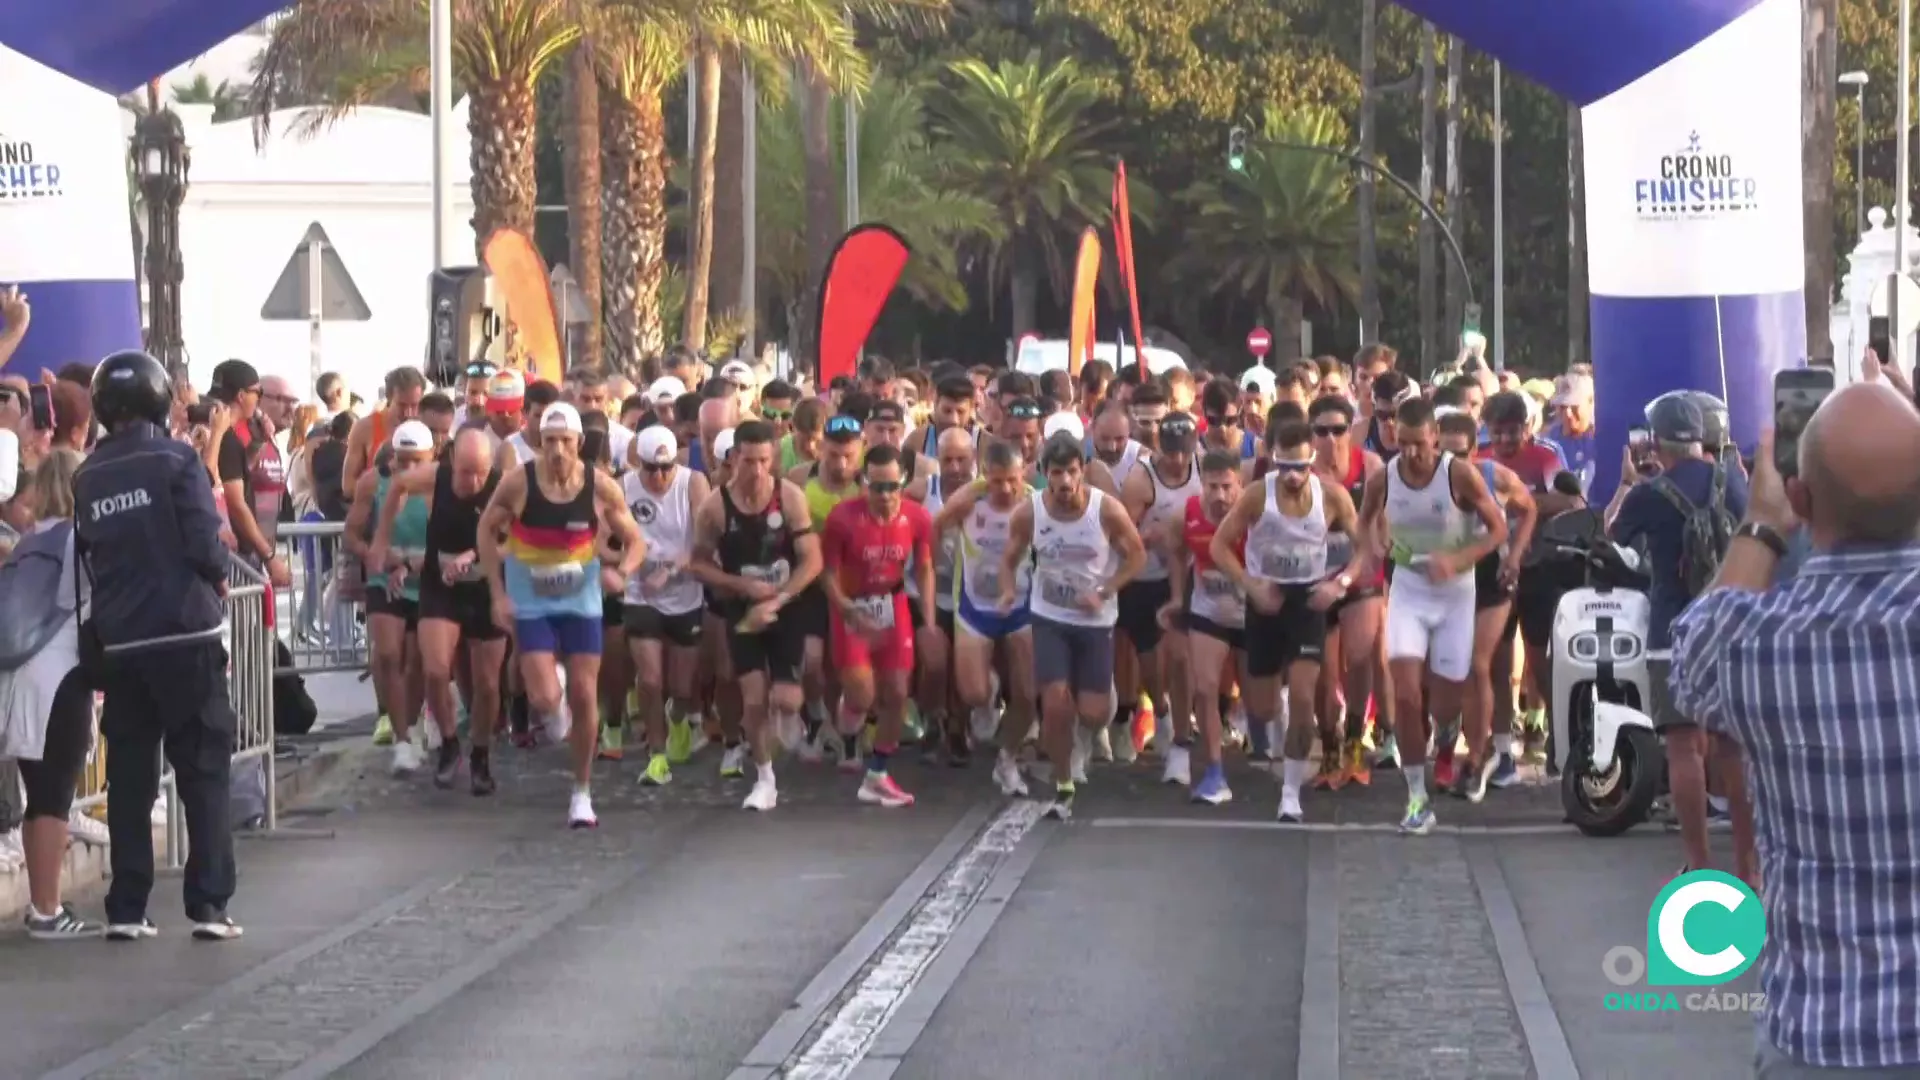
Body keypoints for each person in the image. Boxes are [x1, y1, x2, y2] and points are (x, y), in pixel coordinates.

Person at [1668, 382, 1920, 1076]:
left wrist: (1762, 524)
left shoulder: (1760, 644)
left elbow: (1692, 665)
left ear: (1803, 500)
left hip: (1821, 1034)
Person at [73, 350, 241, 941]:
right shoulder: (177, 460)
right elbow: (203, 539)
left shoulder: (87, 475)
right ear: (158, 397)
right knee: (202, 768)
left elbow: (90, 557)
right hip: (186, 635)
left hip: (122, 644)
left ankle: (126, 906)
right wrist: (221, 572)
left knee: (130, 778)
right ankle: (209, 905)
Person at [477, 403, 646, 828]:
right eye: (549, 441)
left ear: (579, 444)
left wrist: (622, 572)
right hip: (530, 600)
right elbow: (486, 528)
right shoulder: (519, 483)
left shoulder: (599, 486)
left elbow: (635, 540)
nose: (556, 451)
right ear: (539, 443)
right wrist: (497, 591)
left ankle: (582, 792)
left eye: (565, 442)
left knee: (587, 694)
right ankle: (555, 707)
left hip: (581, 599)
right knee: (544, 698)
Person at [1608, 393, 1749, 879]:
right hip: (1730, 626)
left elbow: (1612, 537)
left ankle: (1699, 861)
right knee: (1733, 748)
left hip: (1672, 630)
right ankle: (1751, 868)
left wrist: (1628, 484)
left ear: (1656, 440)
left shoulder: (1650, 493)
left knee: (1684, 747)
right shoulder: (1732, 483)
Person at [1357, 397, 1507, 834]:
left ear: (1435, 439)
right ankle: (1416, 798)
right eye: (1401, 444)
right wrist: (1372, 548)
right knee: (1404, 693)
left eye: (1419, 445)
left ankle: (1448, 731)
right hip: (1408, 589)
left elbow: (1497, 528)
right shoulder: (1383, 478)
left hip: (1455, 596)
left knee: (1443, 704)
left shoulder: (1457, 473)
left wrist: (1459, 559)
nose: (1410, 453)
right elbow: (1362, 520)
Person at [1212, 420, 1365, 820]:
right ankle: (1277, 710)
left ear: (1312, 459)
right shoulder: (1255, 497)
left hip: (1308, 600)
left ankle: (1290, 795)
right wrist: (1250, 585)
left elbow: (1367, 547)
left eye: (1301, 467)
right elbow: (1219, 546)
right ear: (1272, 460)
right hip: (1265, 599)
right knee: (1262, 709)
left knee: (1303, 697)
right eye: (1285, 467)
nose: (1294, 477)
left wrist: (1341, 584)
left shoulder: (1331, 496)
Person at [998, 434, 1148, 821]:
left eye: (1071, 472)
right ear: (1045, 474)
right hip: (1050, 617)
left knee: (1095, 711)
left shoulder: (1106, 511)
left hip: (1096, 621)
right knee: (1054, 701)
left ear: (1083, 472)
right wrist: (1005, 593)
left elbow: (1137, 557)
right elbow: (1009, 558)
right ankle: (1063, 782)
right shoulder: (1029, 513)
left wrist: (1106, 589)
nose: (1064, 482)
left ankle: (1096, 716)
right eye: (1056, 473)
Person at [688, 420, 821, 812]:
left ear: (774, 460)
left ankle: (797, 716)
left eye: (764, 461)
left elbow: (812, 559)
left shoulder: (790, 497)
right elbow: (697, 565)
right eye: (749, 461)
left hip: (787, 604)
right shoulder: (715, 506)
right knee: (753, 698)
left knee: (786, 698)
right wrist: (742, 587)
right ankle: (765, 779)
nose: (757, 471)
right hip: (741, 608)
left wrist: (778, 599)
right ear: (734, 461)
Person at [369, 427, 507, 794]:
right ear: (451, 463)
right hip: (440, 585)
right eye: (464, 471)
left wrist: (474, 554)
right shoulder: (435, 477)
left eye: (479, 472)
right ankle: (448, 744)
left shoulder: (502, 487)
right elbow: (397, 486)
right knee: (434, 669)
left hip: (482, 586)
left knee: (488, 684)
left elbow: (512, 542)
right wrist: (381, 540)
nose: (472, 481)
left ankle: (480, 754)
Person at [1, 450, 101, 937]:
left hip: (20, 678)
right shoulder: (79, 540)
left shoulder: (25, 543)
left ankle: (42, 903)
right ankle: (46, 908)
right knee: (56, 796)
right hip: (62, 674)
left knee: (37, 796)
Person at [820, 444, 935, 808]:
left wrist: (929, 621)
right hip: (853, 608)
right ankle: (849, 722)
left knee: (898, 693)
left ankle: (878, 774)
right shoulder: (842, 519)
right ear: (864, 483)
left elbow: (926, 569)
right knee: (863, 696)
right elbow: (826, 574)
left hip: (893, 604)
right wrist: (846, 609)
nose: (885, 496)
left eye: (892, 487)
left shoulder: (917, 518)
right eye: (877, 487)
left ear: (903, 482)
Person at [932, 437, 1038, 796]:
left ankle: (1007, 760)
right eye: (996, 481)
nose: (1006, 489)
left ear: (1023, 472)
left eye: (1013, 479)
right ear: (984, 475)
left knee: (1026, 692)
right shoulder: (968, 500)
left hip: (1021, 607)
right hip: (975, 606)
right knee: (974, 693)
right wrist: (935, 565)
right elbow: (934, 527)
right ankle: (989, 692)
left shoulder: (1035, 502)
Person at [621, 425, 711, 787]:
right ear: (638, 464)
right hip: (640, 594)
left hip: (685, 592)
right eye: (650, 469)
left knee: (681, 687)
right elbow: (604, 542)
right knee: (652, 679)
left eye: (666, 468)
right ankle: (656, 756)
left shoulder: (693, 483)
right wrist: (629, 563)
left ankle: (679, 720)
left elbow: (705, 541)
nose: (658, 477)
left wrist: (671, 568)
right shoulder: (623, 486)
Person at [1154, 449, 1245, 797]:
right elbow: (1177, 555)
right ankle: (1214, 772)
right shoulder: (1186, 514)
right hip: (1209, 610)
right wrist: (1179, 597)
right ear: (1201, 485)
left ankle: (1264, 718)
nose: (1220, 495)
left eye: (1227, 486)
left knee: (1262, 704)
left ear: (1239, 484)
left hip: (1250, 612)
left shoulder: (1252, 514)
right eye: (1212, 487)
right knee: (1205, 687)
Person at [347, 421, 436, 775]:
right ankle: (400, 739)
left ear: (432, 457)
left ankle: (412, 726)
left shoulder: (440, 486)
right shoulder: (373, 482)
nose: (410, 470)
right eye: (403, 461)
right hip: (385, 581)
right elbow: (351, 533)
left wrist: (418, 562)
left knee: (419, 663)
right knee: (387, 655)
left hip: (425, 581)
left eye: (419, 462)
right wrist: (372, 552)